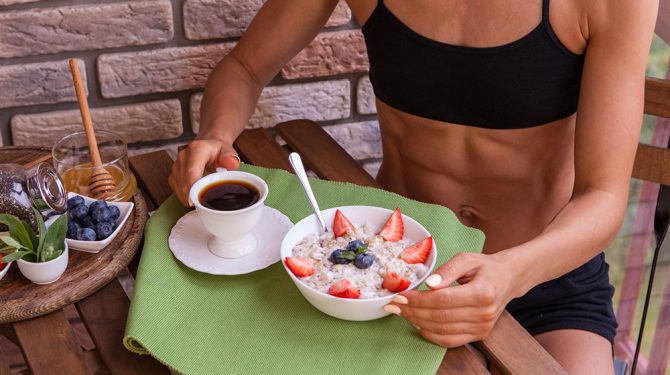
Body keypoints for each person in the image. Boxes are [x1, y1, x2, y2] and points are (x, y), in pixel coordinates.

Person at [169, 0, 658, 373]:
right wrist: (216, 134)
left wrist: (510, 274)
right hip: (387, 277)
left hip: (548, 279)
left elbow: (604, 196)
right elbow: (247, 66)